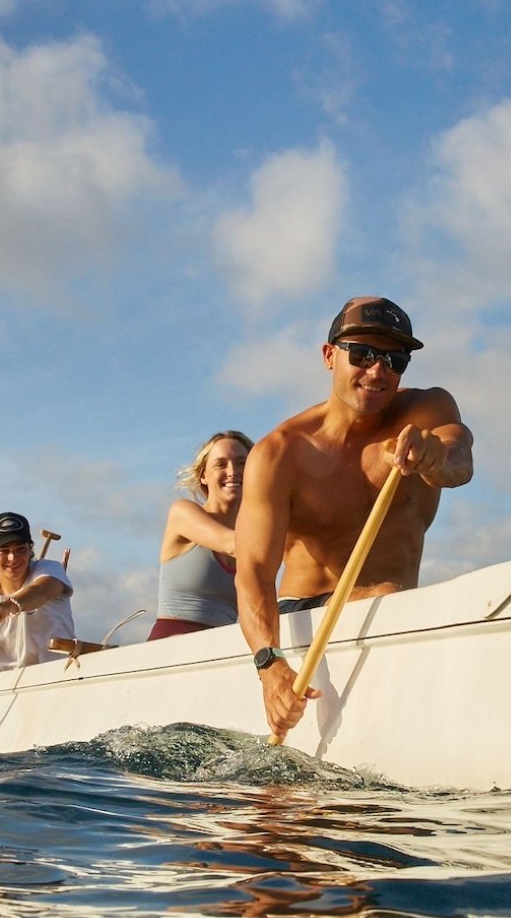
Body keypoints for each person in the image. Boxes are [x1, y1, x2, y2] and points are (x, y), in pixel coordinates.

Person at [235, 295, 473, 740]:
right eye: (362, 354)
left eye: (394, 359)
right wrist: (269, 665)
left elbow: (460, 460)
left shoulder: (425, 411)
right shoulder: (280, 453)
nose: (378, 370)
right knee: (387, 593)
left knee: (395, 594)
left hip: (393, 615)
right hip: (302, 621)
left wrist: (436, 456)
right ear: (330, 356)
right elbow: (252, 571)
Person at [0, 512, 78, 748]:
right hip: (15, 693)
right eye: (4, 551)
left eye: (20, 549)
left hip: (62, 680)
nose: (13, 557)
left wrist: (10, 605)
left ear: (30, 549)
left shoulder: (50, 570)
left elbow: (42, 591)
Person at [149, 430, 253, 640]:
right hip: (170, 651)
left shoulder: (252, 534)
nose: (232, 471)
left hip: (220, 650)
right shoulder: (182, 512)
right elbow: (232, 543)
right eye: (221, 464)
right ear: (203, 475)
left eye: (241, 463)